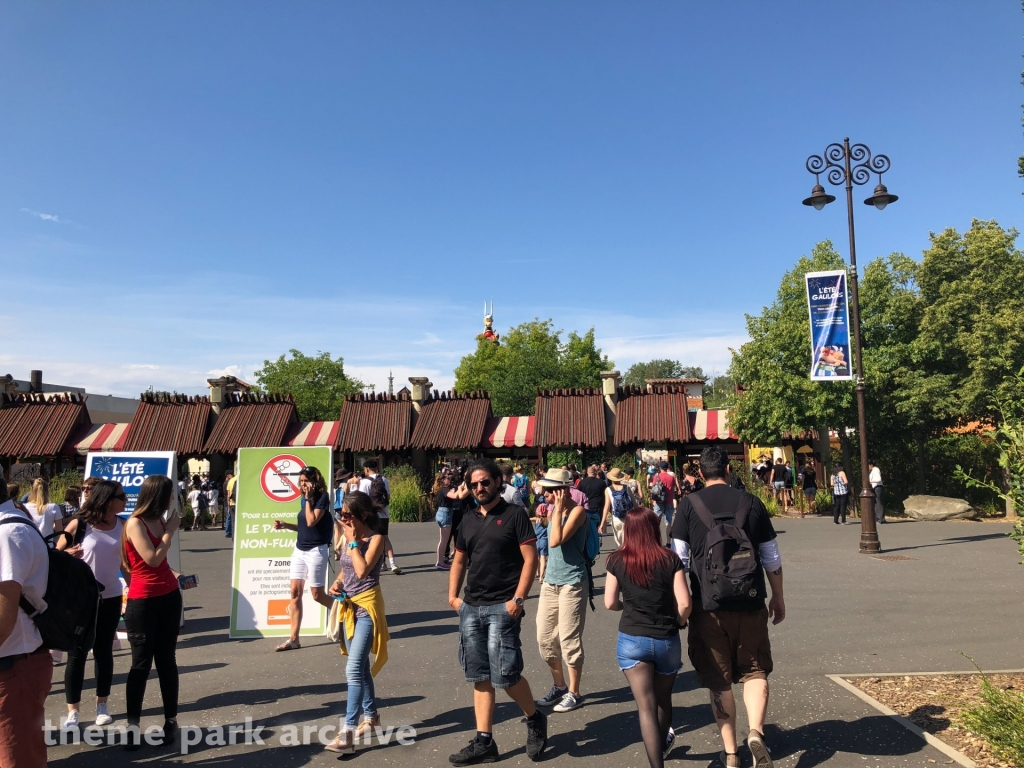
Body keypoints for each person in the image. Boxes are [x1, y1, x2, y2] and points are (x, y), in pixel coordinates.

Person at [670, 446, 785, 768]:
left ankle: (731, 752)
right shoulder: (751, 502)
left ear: (700, 473)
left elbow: (677, 560)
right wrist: (777, 596)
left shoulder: (689, 506)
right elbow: (771, 555)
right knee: (755, 670)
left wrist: (683, 604)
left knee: (719, 680)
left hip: (708, 606)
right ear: (729, 470)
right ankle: (756, 732)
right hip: (750, 600)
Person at [447, 459, 547, 765]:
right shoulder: (467, 519)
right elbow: (460, 559)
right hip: (471, 606)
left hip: (503, 606)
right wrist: (452, 597)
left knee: (506, 675)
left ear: (497, 482)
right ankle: (484, 741)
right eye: (474, 484)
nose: (480, 488)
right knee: (479, 675)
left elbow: (530, 559)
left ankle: (534, 717)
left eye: (485, 482)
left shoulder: (514, 515)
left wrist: (518, 599)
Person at [606, 507, 691, 768]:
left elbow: (610, 602)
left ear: (628, 531)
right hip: (666, 638)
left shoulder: (617, 560)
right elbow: (685, 603)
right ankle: (663, 744)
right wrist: (679, 621)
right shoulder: (670, 558)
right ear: (654, 529)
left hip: (632, 639)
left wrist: (626, 607)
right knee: (663, 698)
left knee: (645, 706)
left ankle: (656, 765)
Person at [57, 480, 126, 728]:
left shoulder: (124, 525)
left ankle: (102, 705)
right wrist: (67, 554)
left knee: (103, 652)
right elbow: (54, 555)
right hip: (81, 599)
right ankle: (73, 712)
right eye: (121, 496)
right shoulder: (80, 523)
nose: (125, 500)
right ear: (107, 499)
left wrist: (132, 590)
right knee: (77, 653)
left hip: (111, 596)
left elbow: (126, 564)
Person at [324, 491, 389, 754]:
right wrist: (337, 582)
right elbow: (348, 568)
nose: (343, 519)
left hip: (367, 609)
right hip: (348, 607)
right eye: (341, 514)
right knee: (360, 667)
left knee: (353, 670)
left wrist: (352, 542)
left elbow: (362, 571)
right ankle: (371, 718)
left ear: (363, 515)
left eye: (348, 514)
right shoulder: (349, 536)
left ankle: (348, 732)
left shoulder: (376, 539)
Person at [121, 474, 182, 749]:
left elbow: (162, 564)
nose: (173, 498)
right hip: (143, 600)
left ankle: (171, 720)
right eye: (170, 494)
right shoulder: (136, 523)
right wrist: (170, 531)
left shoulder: (160, 520)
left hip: (168, 596)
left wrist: (177, 575)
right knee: (141, 664)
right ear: (159, 495)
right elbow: (152, 559)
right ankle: (132, 726)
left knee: (166, 660)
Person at [0, 475, 52, 768]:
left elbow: (2, 622)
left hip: (12, 668)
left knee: (17, 760)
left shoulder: (6, 534)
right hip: (14, 665)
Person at [534, 471, 590, 714]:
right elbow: (549, 533)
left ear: (563, 490)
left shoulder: (577, 512)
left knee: (569, 639)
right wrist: (544, 518)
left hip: (572, 582)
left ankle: (574, 693)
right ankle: (559, 686)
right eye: (544, 489)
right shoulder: (553, 510)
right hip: (550, 581)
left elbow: (556, 540)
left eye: (549, 490)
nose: (544, 494)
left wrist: (555, 511)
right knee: (544, 638)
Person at [273, 466, 336, 651]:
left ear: (315, 482)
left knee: (317, 595)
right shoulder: (304, 500)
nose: (303, 485)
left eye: (306, 481)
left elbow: (311, 521)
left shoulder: (322, 498)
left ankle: (347, 610)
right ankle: (294, 639)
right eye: (301, 481)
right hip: (300, 550)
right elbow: (303, 526)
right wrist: (286, 525)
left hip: (316, 550)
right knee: (294, 593)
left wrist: (308, 499)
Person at [358, 460, 402, 575]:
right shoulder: (384, 480)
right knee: (385, 538)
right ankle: (392, 563)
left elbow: (362, 499)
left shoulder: (364, 482)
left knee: (370, 539)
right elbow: (388, 497)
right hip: (384, 514)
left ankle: (373, 564)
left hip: (371, 515)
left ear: (367, 468)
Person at [649, 462, 680, 543]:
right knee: (668, 522)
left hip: (659, 502)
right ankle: (668, 542)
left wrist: (653, 501)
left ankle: (657, 541)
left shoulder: (657, 476)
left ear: (660, 468)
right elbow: (673, 489)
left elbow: (654, 489)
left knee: (656, 522)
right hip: (669, 502)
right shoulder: (671, 477)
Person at [605, 468, 635, 549]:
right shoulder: (627, 488)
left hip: (616, 518)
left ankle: (621, 554)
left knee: (619, 543)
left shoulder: (608, 489)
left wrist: (603, 522)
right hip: (628, 517)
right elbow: (634, 503)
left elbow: (606, 507)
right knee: (628, 541)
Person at [576, 466, 608, 536]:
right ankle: (595, 537)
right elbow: (606, 495)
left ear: (587, 472)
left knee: (586, 525)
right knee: (595, 525)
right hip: (598, 506)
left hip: (585, 507)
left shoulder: (582, 482)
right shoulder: (601, 483)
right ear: (595, 472)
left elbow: (578, 494)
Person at [434, 473, 454, 570]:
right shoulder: (445, 489)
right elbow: (454, 496)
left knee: (442, 540)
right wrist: (457, 490)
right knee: (444, 541)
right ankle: (440, 562)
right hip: (445, 513)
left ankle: (439, 561)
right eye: (448, 478)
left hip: (441, 512)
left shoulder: (441, 489)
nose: (450, 479)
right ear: (443, 480)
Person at [531, 503, 549, 581]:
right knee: (543, 559)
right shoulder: (548, 520)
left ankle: (537, 572)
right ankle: (541, 576)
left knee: (537, 558)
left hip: (537, 541)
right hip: (544, 541)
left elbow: (529, 519)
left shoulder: (537, 519)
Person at [868, 459, 885, 524]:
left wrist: (870, 481)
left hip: (878, 487)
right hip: (874, 487)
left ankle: (880, 518)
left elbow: (878, 479)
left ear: (871, 465)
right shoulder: (873, 471)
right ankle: (877, 518)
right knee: (875, 502)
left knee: (878, 502)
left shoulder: (876, 469)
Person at [224, 472, 237, 538]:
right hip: (241, 504)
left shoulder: (231, 481)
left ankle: (234, 537)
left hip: (232, 503)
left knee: (233, 520)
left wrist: (228, 505)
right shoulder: (242, 478)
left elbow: (228, 495)